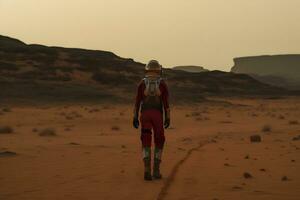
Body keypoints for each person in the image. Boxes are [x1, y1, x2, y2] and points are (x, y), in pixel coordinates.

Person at [133, 60, 170, 181]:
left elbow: (137, 102)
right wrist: (168, 117)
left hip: (145, 115)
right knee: (159, 140)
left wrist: (134, 116)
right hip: (157, 115)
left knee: (146, 140)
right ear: (159, 70)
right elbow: (165, 103)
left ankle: (147, 169)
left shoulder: (142, 83)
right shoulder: (162, 84)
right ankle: (156, 170)